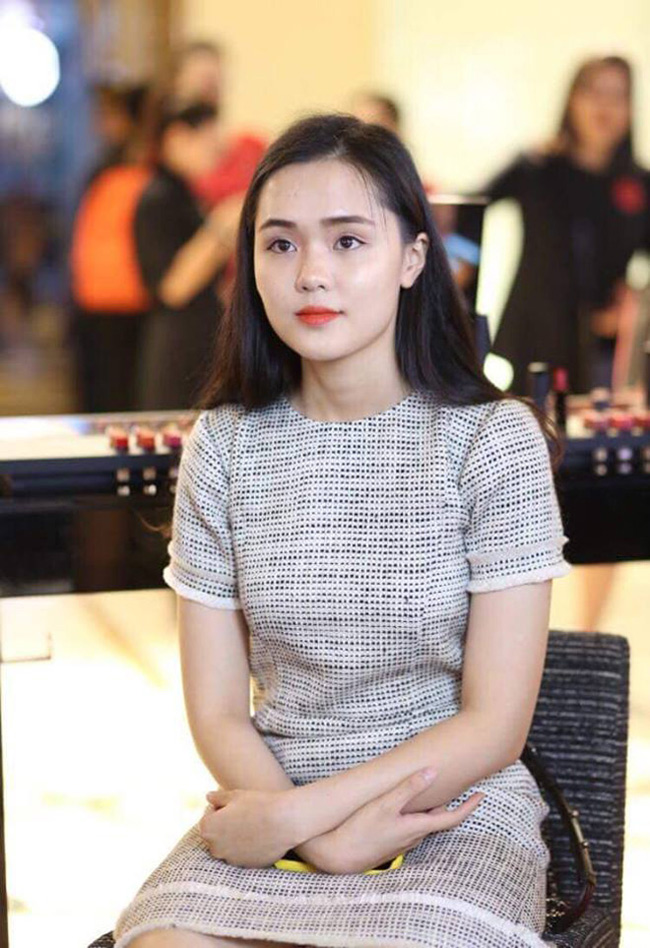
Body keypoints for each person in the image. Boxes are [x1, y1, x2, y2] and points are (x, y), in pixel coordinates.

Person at [113, 114, 571, 948]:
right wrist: (314, 836)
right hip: (271, 794)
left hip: (449, 806)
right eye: (280, 244)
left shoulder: (491, 441)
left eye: (348, 241)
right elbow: (218, 712)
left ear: (413, 258)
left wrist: (305, 819)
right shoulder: (224, 446)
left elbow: (495, 723)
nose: (311, 273)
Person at [481, 55, 650, 396]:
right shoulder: (536, 168)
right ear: (573, 98)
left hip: (603, 357)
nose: (605, 106)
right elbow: (468, 210)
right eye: (595, 92)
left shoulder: (639, 183)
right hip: (534, 345)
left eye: (617, 95)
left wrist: (635, 300)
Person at [133, 98, 240, 410]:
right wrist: (222, 225)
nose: (216, 150)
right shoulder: (158, 198)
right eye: (208, 139)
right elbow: (172, 287)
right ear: (177, 137)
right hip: (177, 348)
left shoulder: (186, 194)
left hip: (197, 341)